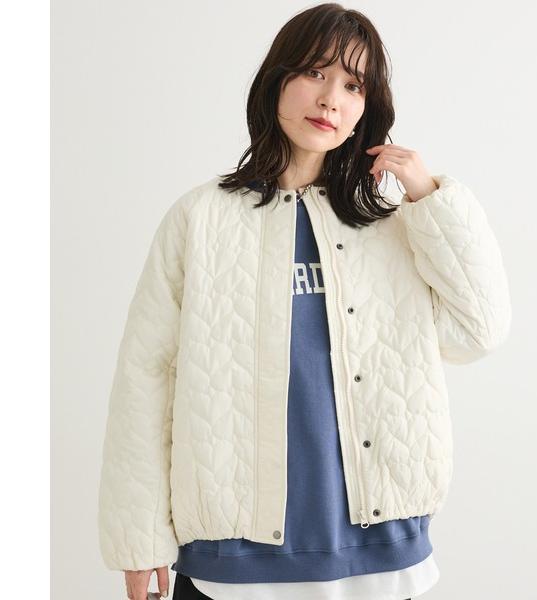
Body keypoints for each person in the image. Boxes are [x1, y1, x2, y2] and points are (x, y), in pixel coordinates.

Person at [97, 3, 512, 600]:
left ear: (367, 108)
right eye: (315, 73)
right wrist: (138, 539)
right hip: (231, 564)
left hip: (380, 559)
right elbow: (145, 378)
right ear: (277, 80)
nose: (330, 99)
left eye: (352, 85)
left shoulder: (395, 225)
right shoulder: (201, 218)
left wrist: (430, 198)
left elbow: (480, 331)